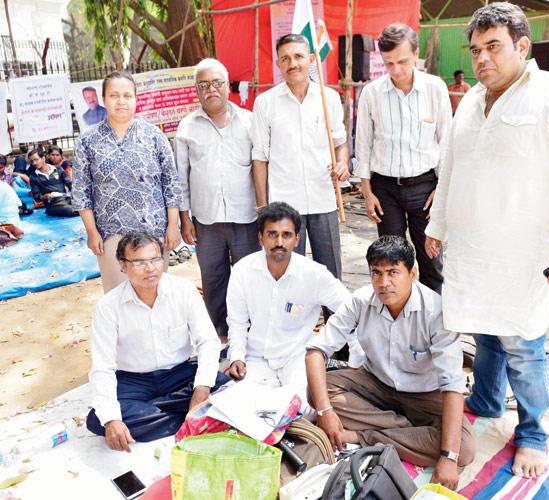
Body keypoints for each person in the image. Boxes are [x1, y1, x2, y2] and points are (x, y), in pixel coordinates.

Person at [425, 2, 549, 478]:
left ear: (523, 47)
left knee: (524, 343)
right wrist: (436, 226)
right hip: (475, 251)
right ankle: (485, 401)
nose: (482, 58)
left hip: (528, 253)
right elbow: (449, 172)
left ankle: (532, 432)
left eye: (494, 47)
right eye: (477, 49)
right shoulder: (469, 106)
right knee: (485, 331)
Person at [306, 236, 475, 490]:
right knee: (319, 390)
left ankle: (365, 437)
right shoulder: (360, 301)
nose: (384, 283)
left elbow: (452, 385)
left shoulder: (436, 312)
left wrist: (449, 457)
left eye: (393, 272)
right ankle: (406, 432)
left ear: (413, 273)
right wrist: (324, 412)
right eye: (377, 273)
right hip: (377, 384)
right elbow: (315, 351)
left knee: (464, 449)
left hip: (425, 394)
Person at [86, 231, 228, 451]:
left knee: (221, 387)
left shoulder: (183, 290)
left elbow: (208, 341)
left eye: (155, 260)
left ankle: (155, 414)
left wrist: (201, 389)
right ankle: (187, 419)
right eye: (140, 262)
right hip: (134, 381)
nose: (150, 268)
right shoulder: (108, 306)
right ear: (123, 265)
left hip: (178, 374)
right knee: (99, 419)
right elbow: (102, 367)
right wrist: (112, 419)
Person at [226, 202, 353, 417]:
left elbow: (351, 311)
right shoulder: (242, 271)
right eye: (272, 234)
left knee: (304, 410)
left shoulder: (314, 274)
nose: (279, 242)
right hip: (255, 358)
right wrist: (236, 357)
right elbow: (237, 322)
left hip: (297, 357)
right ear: (260, 238)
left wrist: (330, 346)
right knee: (238, 408)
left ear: (297, 239)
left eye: (286, 235)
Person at [355, 24, 451, 294]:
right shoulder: (372, 93)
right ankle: (399, 319)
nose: (396, 70)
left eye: (403, 61)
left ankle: (435, 324)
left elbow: (447, 142)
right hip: (385, 190)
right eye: (389, 63)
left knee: (431, 259)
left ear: (416, 54)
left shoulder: (435, 89)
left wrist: (441, 191)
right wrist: (366, 192)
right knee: (392, 262)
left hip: (426, 188)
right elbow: (363, 144)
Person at [73, 71, 182, 293]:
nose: (121, 101)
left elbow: (170, 183)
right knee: (117, 298)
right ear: (104, 99)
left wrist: (172, 225)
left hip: (153, 230)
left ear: (135, 99)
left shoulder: (154, 136)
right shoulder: (88, 140)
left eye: (127, 95)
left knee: (155, 293)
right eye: (114, 95)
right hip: (110, 233)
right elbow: (81, 190)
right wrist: (91, 231)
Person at [252, 34, 349, 281]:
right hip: (284, 204)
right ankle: (296, 320)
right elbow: (260, 158)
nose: (292, 63)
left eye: (298, 56)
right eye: (285, 58)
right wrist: (264, 208)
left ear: (312, 59)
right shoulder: (265, 103)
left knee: (330, 273)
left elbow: (340, 142)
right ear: (278, 64)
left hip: (323, 198)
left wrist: (342, 163)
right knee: (288, 274)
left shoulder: (330, 98)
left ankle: (335, 319)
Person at [176, 58, 260, 341]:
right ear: (197, 90)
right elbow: (181, 177)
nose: (211, 89)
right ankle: (219, 334)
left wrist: (264, 213)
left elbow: (261, 169)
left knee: (248, 278)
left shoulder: (250, 122)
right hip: (205, 220)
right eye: (204, 85)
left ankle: (249, 332)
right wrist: (184, 219)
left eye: (217, 83)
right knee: (213, 279)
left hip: (246, 217)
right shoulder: (187, 127)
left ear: (227, 86)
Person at [28, 149, 77, 217]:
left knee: (84, 205)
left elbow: (69, 183)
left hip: (66, 198)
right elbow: (37, 197)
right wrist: (45, 196)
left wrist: (76, 195)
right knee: (72, 210)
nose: (34, 163)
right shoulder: (34, 177)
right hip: (52, 204)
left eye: (36, 159)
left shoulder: (58, 169)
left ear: (43, 158)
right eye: (32, 161)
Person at [0, 180, 24, 246]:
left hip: (5, 223)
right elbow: (19, 204)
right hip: (15, 222)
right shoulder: (5, 185)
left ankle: (6, 235)